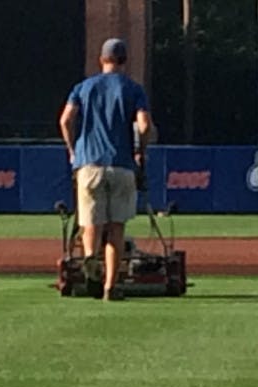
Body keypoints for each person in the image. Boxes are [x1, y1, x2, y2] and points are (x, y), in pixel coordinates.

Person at [59, 37, 154, 301]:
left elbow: (66, 120)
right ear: (124, 61)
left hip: (89, 163)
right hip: (122, 164)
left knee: (91, 223)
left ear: (101, 60)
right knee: (116, 228)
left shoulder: (83, 87)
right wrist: (140, 151)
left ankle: (91, 263)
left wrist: (72, 150)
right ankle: (111, 285)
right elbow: (145, 126)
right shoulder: (134, 89)